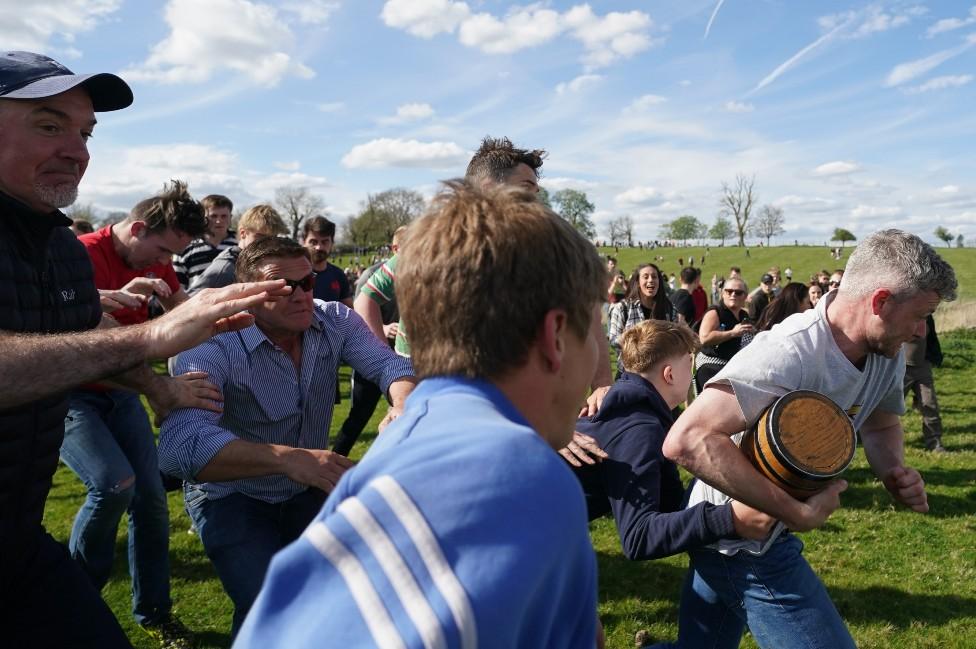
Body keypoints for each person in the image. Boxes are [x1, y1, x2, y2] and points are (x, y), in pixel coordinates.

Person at [235, 180, 606, 649]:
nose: (596, 356)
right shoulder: (528, 475)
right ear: (555, 336)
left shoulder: (405, 432)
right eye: (590, 333)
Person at [0, 49, 287, 649]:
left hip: (17, 541)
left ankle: (148, 606)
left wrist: (159, 387)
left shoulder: (56, 246)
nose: (77, 150)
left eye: (85, 132)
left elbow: (91, 340)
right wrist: (156, 337)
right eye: (49, 125)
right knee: (115, 485)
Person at [659, 229, 957, 648]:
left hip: (756, 533)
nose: (923, 331)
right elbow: (687, 439)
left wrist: (892, 469)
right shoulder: (790, 351)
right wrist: (792, 512)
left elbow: (881, 422)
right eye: (921, 315)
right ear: (880, 303)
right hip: (741, 540)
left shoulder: (885, 347)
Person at [159, 237, 416, 637]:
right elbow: (180, 448)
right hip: (230, 495)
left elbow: (388, 365)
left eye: (308, 283)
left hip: (303, 488)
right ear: (248, 294)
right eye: (282, 288)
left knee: (338, 597)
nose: (301, 296)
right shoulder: (212, 343)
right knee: (269, 605)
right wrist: (285, 458)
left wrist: (401, 405)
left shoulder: (335, 320)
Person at [354, 135, 612, 466]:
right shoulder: (436, 243)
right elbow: (368, 298)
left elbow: (587, 304)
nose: (536, 199)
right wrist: (393, 376)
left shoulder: (542, 246)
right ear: (488, 187)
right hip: (432, 397)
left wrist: (602, 384)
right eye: (527, 188)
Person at [62, 181, 209, 647]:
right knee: (112, 485)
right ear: (139, 227)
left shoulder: (160, 263)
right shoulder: (79, 254)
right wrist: (160, 387)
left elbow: (182, 320)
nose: (162, 263)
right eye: (161, 250)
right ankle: (75, 601)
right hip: (71, 395)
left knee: (149, 500)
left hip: (122, 394)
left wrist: (180, 313)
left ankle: (155, 612)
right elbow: (99, 340)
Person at [574, 320, 773, 561]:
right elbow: (639, 537)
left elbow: (670, 505)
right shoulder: (640, 430)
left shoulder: (639, 411)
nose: (691, 374)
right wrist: (730, 519)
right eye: (689, 362)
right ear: (669, 374)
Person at [332, 227, 406, 456]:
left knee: (400, 416)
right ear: (395, 249)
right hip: (376, 352)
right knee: (360, 414)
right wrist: (382, 336)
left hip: (401, 357)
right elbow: (360, 307)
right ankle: (337, 459)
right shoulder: (375, 273)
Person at [187, 203, 288, 293]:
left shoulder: (256, 262)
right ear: (243, 233)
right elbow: (190, 303)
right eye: (261, 237)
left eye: (273, 238)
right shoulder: (226, 268)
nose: (268, 244)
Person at [609, 263, 676, 375]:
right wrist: (641, 341)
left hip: (660, 377)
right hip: (630, 375)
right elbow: (613, 340)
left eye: (654, 277)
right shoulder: (622, 308)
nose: (650, 280)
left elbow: (675, 341)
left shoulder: (669, 309)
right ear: (638, 283)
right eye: (645, 277)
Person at [692, 277, 752, 393]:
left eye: (738, 292)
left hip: (731, 365)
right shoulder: (715, 312)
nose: (733, 294)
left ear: (745, 296)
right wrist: (733, 333)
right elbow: (704, 338)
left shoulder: (743, 315)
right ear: (722, 293)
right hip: (711, 364)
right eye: (729, 291)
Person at [172, 194, 236, 289]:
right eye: (213, 216)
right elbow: (177, 287)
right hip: (195, 301)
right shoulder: (185, 247)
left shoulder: (239, 246)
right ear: (203, 218)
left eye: (224, 216)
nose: (219, 221)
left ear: (230, 217)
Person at [904, 314, 946, 452]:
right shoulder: (900, 310)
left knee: (929, 404)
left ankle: (935, 443)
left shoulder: (927, 315)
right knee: (886, 408)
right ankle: (869, 437)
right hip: (900, 368)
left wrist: (935, 357)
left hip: (923, 367)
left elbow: (932, 337)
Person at [303, 215, 352, 306]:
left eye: (324, 242)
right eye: (313, 242)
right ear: (303, 242)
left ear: (332, 243)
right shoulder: (295, 275)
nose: (319, 247)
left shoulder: (339, 275)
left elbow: (349, 312)